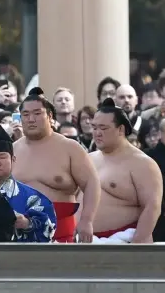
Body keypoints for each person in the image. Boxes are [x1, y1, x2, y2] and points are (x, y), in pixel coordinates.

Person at [12, 87, 100, 243]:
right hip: (19, 232)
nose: (31, 119)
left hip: (62, 230)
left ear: (50, 116)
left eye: (37, 113)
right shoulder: (12, 150)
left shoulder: (70, 147)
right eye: (26, 114)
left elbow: (92, 183)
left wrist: (87, 220)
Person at [87, 98, 162, 243]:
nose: (97, 133)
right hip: (85, 241)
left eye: (103, 128)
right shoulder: (89, 159)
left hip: (124, 240)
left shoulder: (142, 163)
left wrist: (135, 248)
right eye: (94, 128)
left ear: (120, 129)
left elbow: (152, 208)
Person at [0, 126, 57, 242]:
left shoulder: (32, 198)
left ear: (13, 160)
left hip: (18, 257)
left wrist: (28, 223)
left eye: (2, 157)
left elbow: (50, 229)